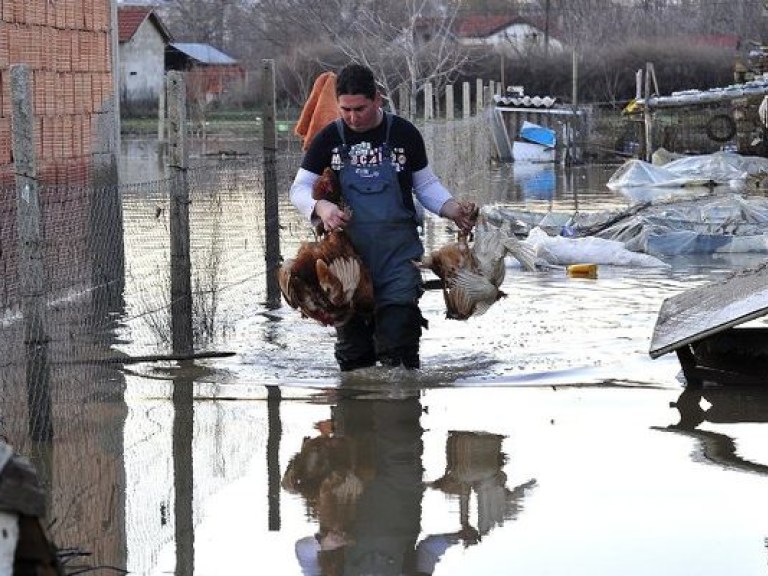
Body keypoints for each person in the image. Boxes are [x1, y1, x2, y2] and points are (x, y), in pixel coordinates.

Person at [289, 63, 476, 371]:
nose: (352, 117)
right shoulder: (328, 138)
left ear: (377, 99)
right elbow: (299, 188)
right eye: (345, 109)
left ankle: (401, 412)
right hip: (345, 261)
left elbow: (426, 185)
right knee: (353, 356)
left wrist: (452, 209)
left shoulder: (403, 133)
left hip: (397, 255)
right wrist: (321, 208)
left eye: (359, 108)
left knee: (399, 349)